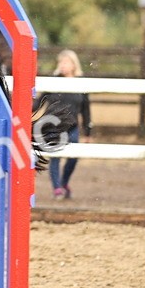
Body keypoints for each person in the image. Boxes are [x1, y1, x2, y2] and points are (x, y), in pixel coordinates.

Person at [42, 49, 92, 200]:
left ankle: (64, 183)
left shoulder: (81, 83)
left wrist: (88, 131)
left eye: (66, 62)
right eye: (61, 62)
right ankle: (57, 188)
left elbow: (86, 109)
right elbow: (40, 101)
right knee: (55, 157)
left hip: (72, 126)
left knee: (73, 157)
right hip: (53, 126)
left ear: (73, 64)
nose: (63, 65)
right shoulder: (53, 81)